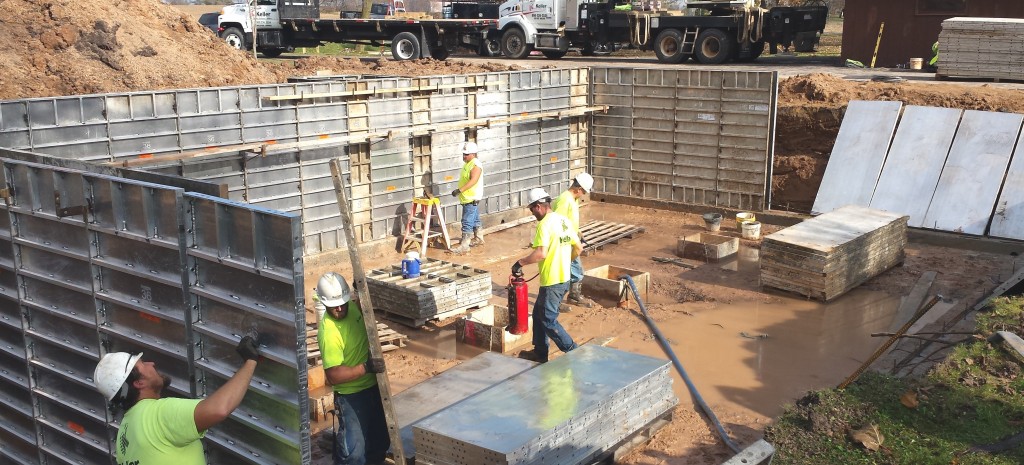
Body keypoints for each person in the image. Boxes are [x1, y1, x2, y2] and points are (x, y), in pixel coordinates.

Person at [92, 337, 261, 464]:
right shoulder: (158, 415)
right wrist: (250, 361)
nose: (152, 364)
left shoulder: (125, 432)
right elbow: (219, 408)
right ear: (139, 383)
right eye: (144, 364)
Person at [316, 272, 390, 465]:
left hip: (374, 386)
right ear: (324, 304)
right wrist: (366, 367)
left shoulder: (351, 306)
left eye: (343, 303)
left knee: (380, 441)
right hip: (352, 395)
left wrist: (360, 291)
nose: (340, 308)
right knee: (354, 453)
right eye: (334, 307)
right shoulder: (329, 332)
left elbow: (361, 306)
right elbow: (333, 375)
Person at [512, 187, 582, 363]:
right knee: (538, 315)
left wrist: (520, 263)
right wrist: (565, 260)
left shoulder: (544, 225)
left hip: (553, 281)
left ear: (538, 206)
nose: (532, 213)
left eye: (531, 209)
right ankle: (540, 353)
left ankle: (573, 351)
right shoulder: (563, 221)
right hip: (563, 278)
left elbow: (541, 253)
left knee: (548, 320)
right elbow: (578, 247)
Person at [551, 172, 595, 308]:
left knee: (575, 270)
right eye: (584, 192)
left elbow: (569, 221)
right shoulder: (564, 200)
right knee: (563, 273)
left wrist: (578, 231)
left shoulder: (573, 199)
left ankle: (573, 296)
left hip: (570, 240)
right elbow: (557, 223)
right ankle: (556, 302)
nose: (583, 195)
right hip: (564, 242)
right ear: (579, 189)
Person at [450, 141, 484, 254]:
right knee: (474, 219)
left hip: (471, 198)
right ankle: (479, 238)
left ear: (473, 154)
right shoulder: (468, 163)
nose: (464, 156)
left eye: (466, 154)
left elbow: (473, 180)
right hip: (468, 197)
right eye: (463, 154)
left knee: (467, 221)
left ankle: (465, 245)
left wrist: (459, 190)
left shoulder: (476, 165)